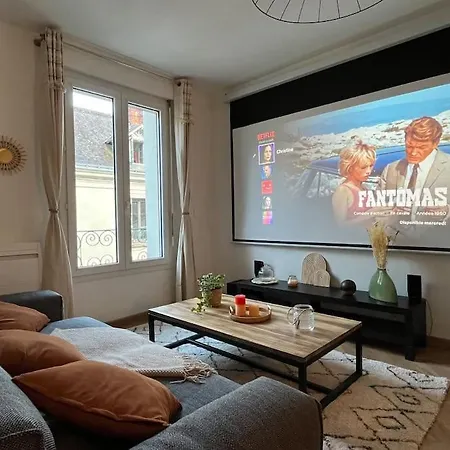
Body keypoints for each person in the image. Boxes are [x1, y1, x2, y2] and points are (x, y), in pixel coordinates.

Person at [378, 116, 450, 220]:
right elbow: (376, 210)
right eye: (409, 146)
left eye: (422, 147)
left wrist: (447, 211)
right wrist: (391, 213)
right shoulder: (391, 169)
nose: (413, 153)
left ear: (436, 143)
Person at [332, 141, 389, 225]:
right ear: (350, 168)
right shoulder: (343, 191)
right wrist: (369, 214)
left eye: (371, 166)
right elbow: (340, 225)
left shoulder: (364, 188)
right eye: (363, 167)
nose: (369, 171)